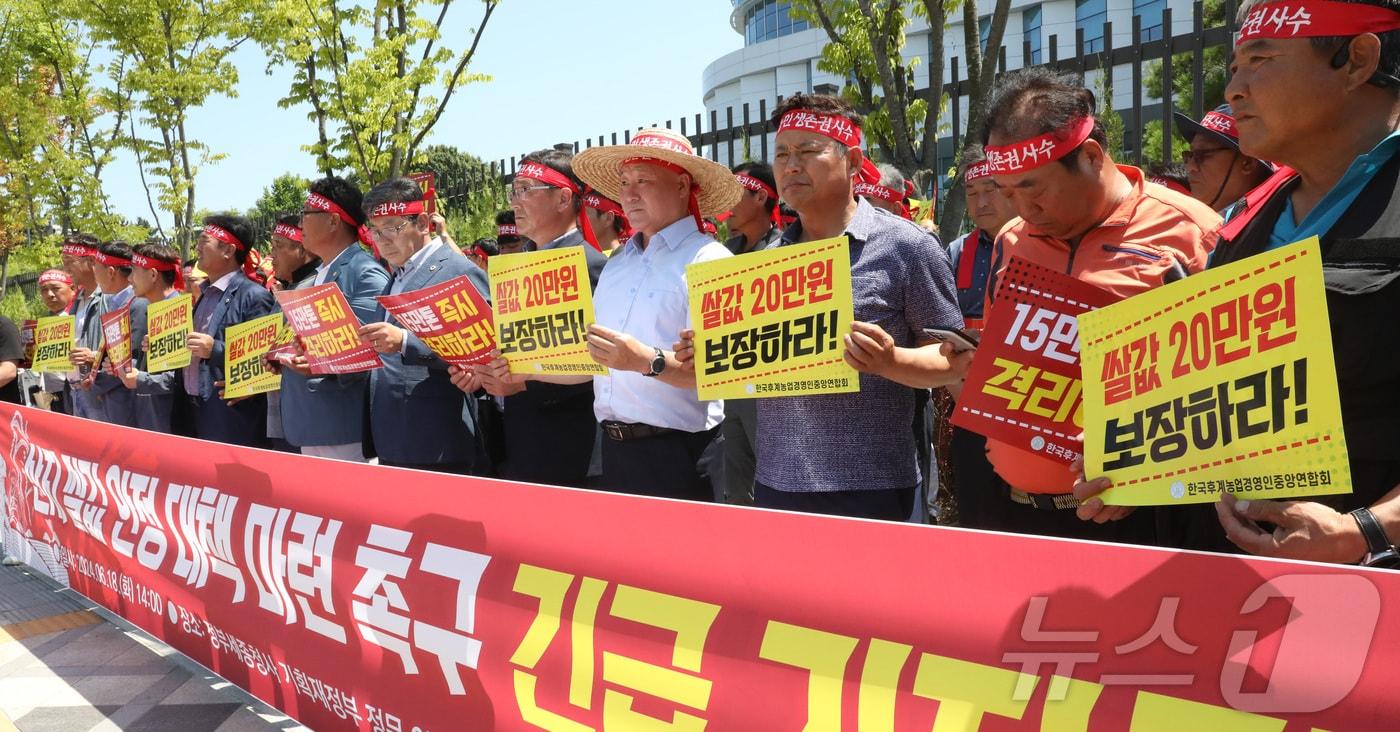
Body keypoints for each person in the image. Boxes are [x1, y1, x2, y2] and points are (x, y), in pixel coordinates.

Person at [1075, 0, 1400, 566]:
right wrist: (1136, 468)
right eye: (1233, 69)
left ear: (1357, 60)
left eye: (1261, 59)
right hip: (1219, 587)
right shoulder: (1244, 220)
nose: (1234, 91)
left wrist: (1365, 530)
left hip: (1368, 608)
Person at [682, 94, 968, 520]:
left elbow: (955, 359)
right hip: (777, 482)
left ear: (852, 162)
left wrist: (891, 361)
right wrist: (708, 354)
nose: (790, 166)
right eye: (781, 154)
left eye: (807, 151)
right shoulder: (766, 261)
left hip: (875, 488)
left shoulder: (907, 247)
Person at [977, 67, 1219, 543]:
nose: (1023, 210)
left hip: (1144, 519)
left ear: (1090, 156)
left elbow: (1233, 389)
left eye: (1032, 188)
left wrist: (1150, 468)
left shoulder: (1193, 233)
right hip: (1015, 513)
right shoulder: (1010, 241)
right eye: (1005, 193)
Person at [476, 128, 742, 500]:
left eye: (643, 180)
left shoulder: (710, 260)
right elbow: (590, 360)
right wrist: (523, 371)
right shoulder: (618, 267)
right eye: (623, 181)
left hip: (682, 454)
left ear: (683, 186)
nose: (629, 193)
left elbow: (725, 371)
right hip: (615, 455)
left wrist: (645, 361)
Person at [455, 149, 606, 487]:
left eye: (526, 190)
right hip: (522, 441)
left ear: (563, 197)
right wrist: (482, 370)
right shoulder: (520, 264)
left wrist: (523, 382)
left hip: (572, 447)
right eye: (514, 191)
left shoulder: (589, 263)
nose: (516, 203)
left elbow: (601, 365)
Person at [358, 178, 490, 473]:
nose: (383, 240)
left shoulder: (458, 270)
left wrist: (406, 341)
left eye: (392, 228)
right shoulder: (395, 276)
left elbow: (484, 350)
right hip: (392, 433)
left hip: (437, 437)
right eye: (375, 232)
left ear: (421, 222)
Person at [279, 177, 389, 461]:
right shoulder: (316, 277)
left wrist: (316, 364)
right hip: (312, 424)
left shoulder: (364, 273)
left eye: (306, 214)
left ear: (332, 221)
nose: (300, 224)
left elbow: (367, 352)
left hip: (344, 427)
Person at [713, 161, 784, 505]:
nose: (727, 204)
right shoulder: (720, 255)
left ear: (760, 197)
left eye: (736, 193)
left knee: (772, 479)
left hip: (769, 388)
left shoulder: (786, 250)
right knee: (736, 484)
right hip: (729, 386)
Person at [184, 214, 276, 446]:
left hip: (232, 415)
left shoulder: (253, 296)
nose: (197, 247)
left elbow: (264, 359)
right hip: (195, 409)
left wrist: (213, 348)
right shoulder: (204, 294)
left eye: (204, 240)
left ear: (228, 251)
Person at [71, 240, 143, 427]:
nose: (94, 274)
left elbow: (131, 361)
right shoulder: (116, 303)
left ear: (111, 272)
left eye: (96, 268)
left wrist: (95, 381)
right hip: (111, 400)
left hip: (126, 405)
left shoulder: (136, 305)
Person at [262, 216, 319, 451]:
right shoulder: (286, 290)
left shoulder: (316, 286)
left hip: (310, 422)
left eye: (279, 246)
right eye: (271, 246)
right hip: (282, 418)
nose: (271, 255)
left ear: (303, 248)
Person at [119, 242, 185, 434]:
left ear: (154, 274)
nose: (130, 279)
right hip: (149, 419)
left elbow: (177, 380)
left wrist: (140, 379)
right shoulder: (152, 310)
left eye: (134, 271)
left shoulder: (177, 313)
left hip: (169, 425)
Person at [1174, 103, 1275, 211]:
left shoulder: (1271, 221)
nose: (1190, 167)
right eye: (1189, 155)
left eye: (1201, 155)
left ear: (1248, 162)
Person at [60, 234, 102, 419]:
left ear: (91, 261)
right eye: (63, 261)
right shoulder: (75, 302)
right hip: (74, 390)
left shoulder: (110, 299)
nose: (65, 269)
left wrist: (93, 356)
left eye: (70, 261)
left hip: (100, 392)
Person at [36, 269, 76, 413]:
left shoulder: (81, 316)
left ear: (73, 289)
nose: (49, 294)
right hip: (49, 392)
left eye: (56, 288)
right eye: (44, 290)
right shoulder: (45, 320)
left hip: (75, 391)